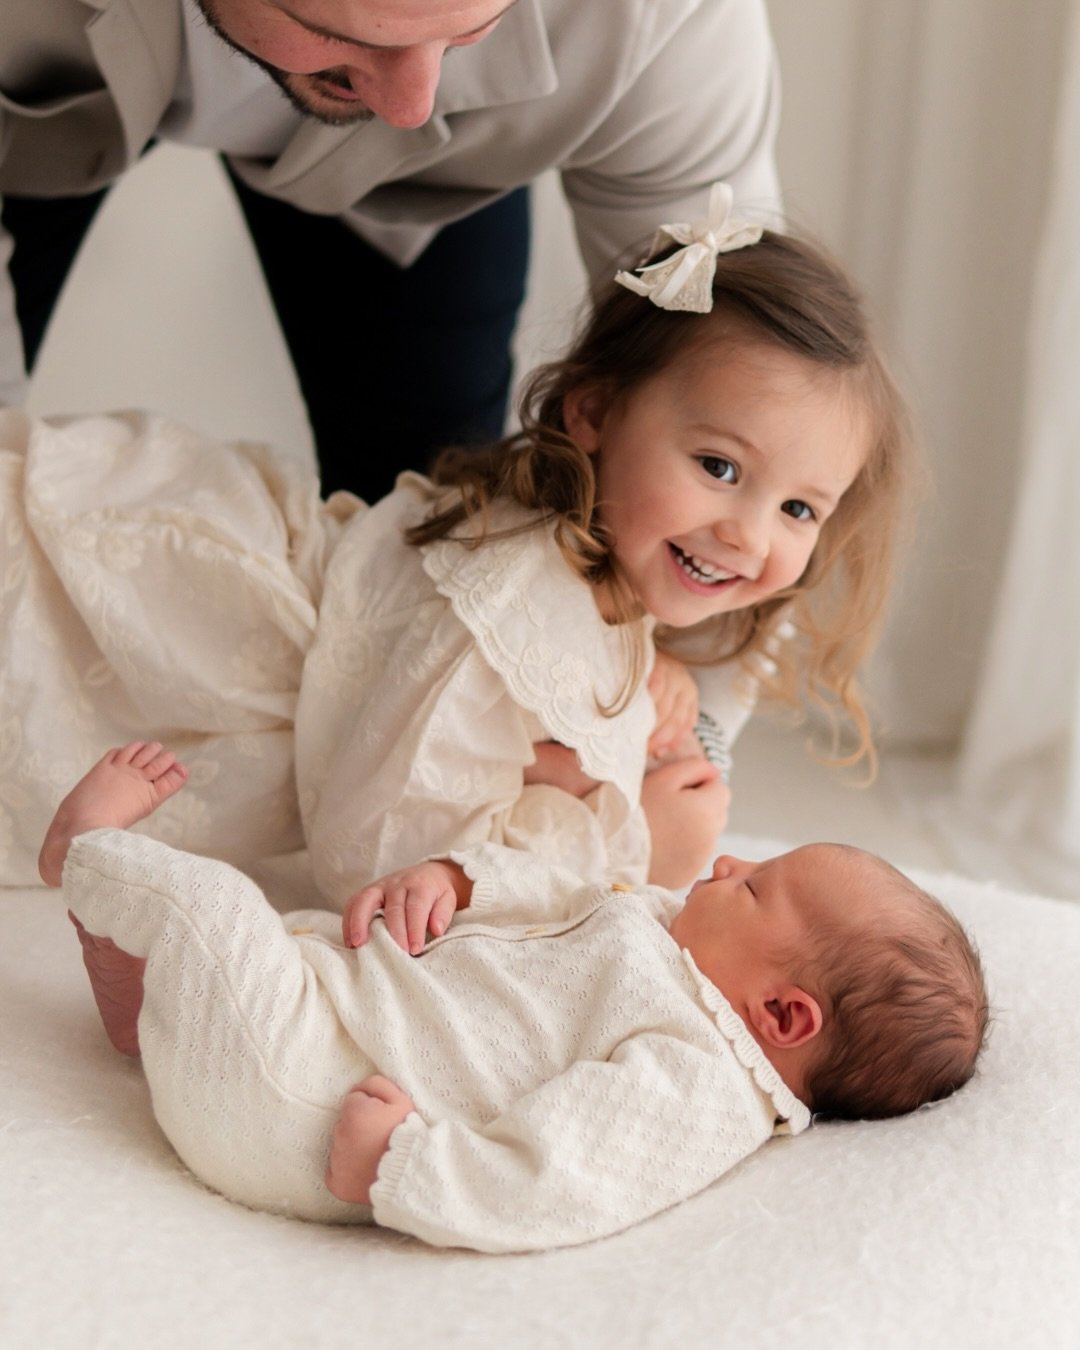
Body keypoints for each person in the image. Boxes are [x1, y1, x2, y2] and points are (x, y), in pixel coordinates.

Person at [0, 193, 915, 896]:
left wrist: (620, 707)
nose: (747, 534)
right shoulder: (517, 603)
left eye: (800, 510)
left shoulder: (594, 570)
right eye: (719, 466)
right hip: (182, 626)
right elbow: (379, 859)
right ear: (591, 413)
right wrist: (627, 834)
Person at [38, 740, 989, 1253]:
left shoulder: (695, 1080)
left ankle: (81, 853)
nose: (730, 861)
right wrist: (455, 881)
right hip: (333, 997)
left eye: (754, 885)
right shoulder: (670, 933)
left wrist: (399, 1167)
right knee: (259, 939)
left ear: (781, 1015)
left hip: (304, 1103)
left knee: (211, 904)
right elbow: (565, 886)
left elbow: (563, 1178)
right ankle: (141, 1013)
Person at [0, 0, 783, 498]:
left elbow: (746, 423)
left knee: (429, 508)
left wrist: (687, 716)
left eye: (470, 27)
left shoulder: (670, 21)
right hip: (29, 115)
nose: (410, 106)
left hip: (420, 200)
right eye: (331, 31)